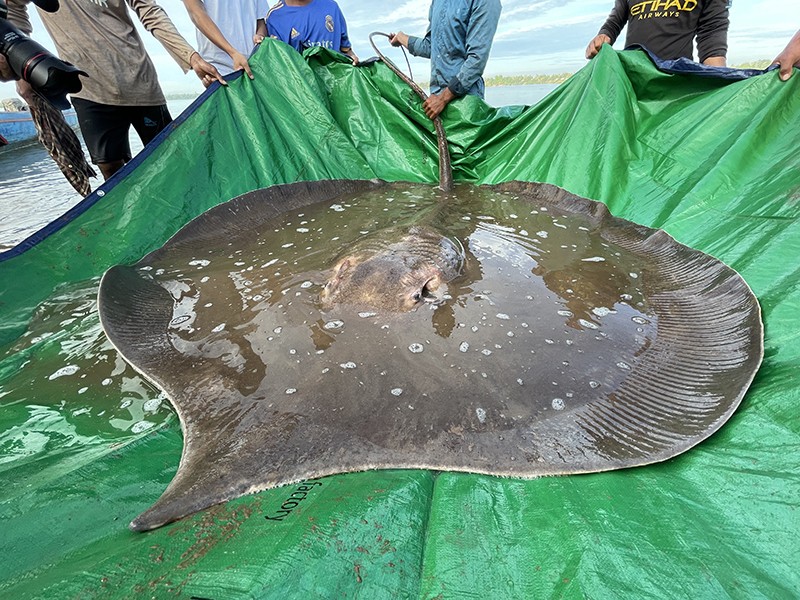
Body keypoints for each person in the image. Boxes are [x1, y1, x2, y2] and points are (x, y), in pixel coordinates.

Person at [7, 0, 223, 181]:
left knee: (172, 161)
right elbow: (14, 8)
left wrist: (191, 57)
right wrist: (19, 66)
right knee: (111, 171)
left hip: (140, 81)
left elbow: (150, 11)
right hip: (87, 86)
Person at [388, 0, 502, 120]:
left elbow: (477, 58)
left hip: (465, 105)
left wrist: (443, 98)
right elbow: (430, 47)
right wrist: (401, 37)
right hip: (436, 106)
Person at [585, 0, 729, 66]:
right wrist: (602, 36)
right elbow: (615, 21)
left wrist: (719, 86)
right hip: (632, 78)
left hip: (676, 81)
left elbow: (712, 37)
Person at [183, 0, 268, 80]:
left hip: (252, 67)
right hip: (218, 67)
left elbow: (260, 20)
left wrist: (260, 36)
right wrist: (233, 53)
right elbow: (196, 12)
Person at [261, 0, 358, 65]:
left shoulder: (331, 6)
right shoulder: (275, 17)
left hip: (336, 82)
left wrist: (352, 58)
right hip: (303, 87)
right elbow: (280, 63)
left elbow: (345, 49)